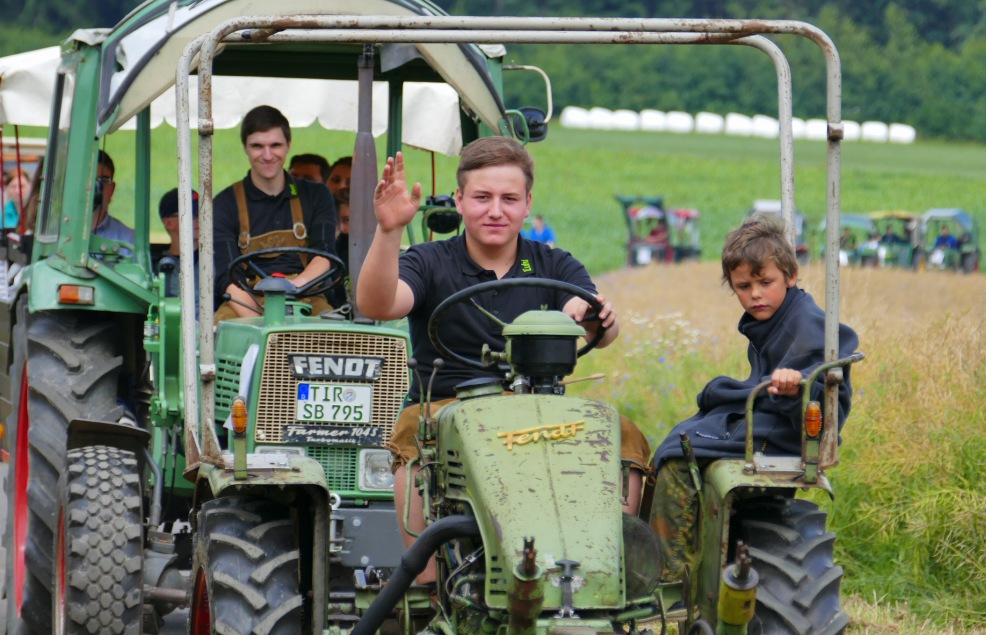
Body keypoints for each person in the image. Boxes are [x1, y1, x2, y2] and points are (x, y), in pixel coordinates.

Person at [357, 136, 650, 582]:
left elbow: (599, 324)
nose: (495, 210)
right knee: (416, 435)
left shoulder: (553, 263)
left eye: (509, 199)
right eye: (482, 197)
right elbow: (378, 304)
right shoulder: (430, 260)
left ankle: (604, 569)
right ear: (459, 200)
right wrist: (389, 230)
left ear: (528, 204)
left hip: (541, 408)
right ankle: (426, 581)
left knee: (623, 436)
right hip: (447, 407)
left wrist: (591, 316)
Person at [648, 216, 859, 581]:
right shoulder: (772, 320)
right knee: (682, 437)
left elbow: (825, 391)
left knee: (678, 459)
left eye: (766, 282)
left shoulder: (807, 323)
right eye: (744, 286)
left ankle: (668, 578)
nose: (755, 294)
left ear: (791, 276)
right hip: (769, 420)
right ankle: (689, 550)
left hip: (787, 432)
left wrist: (798, 384)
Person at [213, 106, 337, 320]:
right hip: (244, 300)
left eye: (275, 145)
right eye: (258, 146)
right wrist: (259, 322)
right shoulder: (225, 203)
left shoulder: (316, 195)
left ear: (289, 145)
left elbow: (324, 256)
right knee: (218, 336)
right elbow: (227, 276)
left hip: (306, 296)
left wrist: (291, 288)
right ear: (245, 148)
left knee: (337, 338)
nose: (268, 155)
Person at [156, 188, 201, 312]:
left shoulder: (217, 259)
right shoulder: (161, 268)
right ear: (168, 223)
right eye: (191, 215)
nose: (199, 219)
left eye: (203, 213)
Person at [93, 150, 135, 247]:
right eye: (89, 179)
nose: (96, 187)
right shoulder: (55, 234)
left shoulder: (129, 239)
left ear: (112, 189)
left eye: (103, 180)